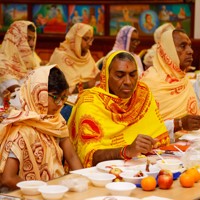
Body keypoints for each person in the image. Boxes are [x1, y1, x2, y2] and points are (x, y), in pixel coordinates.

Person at [68, 50, 170, 168]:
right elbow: (88, 156)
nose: (128, 82)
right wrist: (126, 151)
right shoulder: (90, 103)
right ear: (105, 76)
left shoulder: (142, 94)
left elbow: (158, 138)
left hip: (141, 168)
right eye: (120, 76)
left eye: (132, 75)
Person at [0, 65, 83, 191]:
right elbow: (8, 178)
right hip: (25, 193)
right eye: (55, 97)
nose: (60, 104)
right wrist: (40, 190)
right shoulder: (21, 128)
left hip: (52, 190)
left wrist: (83, 179)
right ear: (38, 93)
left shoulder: (55, 120)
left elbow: (71, 156)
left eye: (63, 98)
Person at [141, 29, 200, 134]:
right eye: (183, 46)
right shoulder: (149, 82)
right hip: (158, 147)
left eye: (190, 46)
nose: (190, 51)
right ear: (168, 50)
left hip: (189, 144)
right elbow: (142, 127)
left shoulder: (183, 79)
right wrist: (179, 124)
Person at [0, 20, 44, 109]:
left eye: (33, 39)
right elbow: (18, 95)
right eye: (27, 39)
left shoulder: (32, 62)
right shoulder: (3, 62)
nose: (32, 44)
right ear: (15, 39)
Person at [49, 22, 100, 94]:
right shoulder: (61, 56)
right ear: (76, 38)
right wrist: (88, 84)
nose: (90, 44)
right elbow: (64, 91)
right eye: (86, 39)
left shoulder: (86, 55)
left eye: (91, 39)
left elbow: (96, 79)